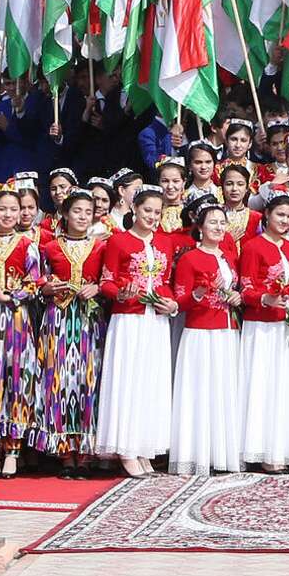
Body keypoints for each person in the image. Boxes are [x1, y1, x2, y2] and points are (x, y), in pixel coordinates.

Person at [94, 189, 178, 477]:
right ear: (135, 209)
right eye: (147, 211)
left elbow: (165, 282)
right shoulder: (119, 241)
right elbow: (106, 282)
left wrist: (171, 303)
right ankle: (126, 447)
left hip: (155, 320)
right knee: (128, 380)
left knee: (150, 382)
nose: (153, 217)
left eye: (157, 212)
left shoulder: (165, 243)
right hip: (128, 321)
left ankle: (145, 446)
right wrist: (122, 294)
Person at [33, 189, 108, 474]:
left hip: (90, 322)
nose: (82, 217)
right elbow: (36, 282)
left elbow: (109, 280)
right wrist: (46, 289)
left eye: (88, 212)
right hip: (59, 321)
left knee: (89, 380)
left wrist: (98, 288)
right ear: (65, 213)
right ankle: (64, 451)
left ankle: (87, 451)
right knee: (60, 379)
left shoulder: (102, 247)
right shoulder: (49, 247)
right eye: (77, 211)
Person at [170, 202, 244, 476]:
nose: (218, 227)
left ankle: (222, 454)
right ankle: (196, 455)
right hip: (200, 333)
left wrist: (236, 297)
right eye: (212, 222)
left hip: (226, 331)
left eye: (222, 223)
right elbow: (180, 300)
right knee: (200, 393)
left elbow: (235, 290)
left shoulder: (227, 257)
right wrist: (198, 294)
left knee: (224, 391)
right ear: (199, 227)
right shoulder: (189, 258)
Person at [238, 194, 289, 472]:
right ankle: (260, 451)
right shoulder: (253, 247)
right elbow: (246, 289)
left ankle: (281, 449)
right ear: (266, 215)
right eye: (280, 215)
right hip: (261, 328)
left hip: (285, 327)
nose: (285, 220)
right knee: (262, 386)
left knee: (284, 388)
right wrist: (264, 299)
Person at [0, 189, 40, 476]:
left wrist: (9, 296)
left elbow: (34, 284)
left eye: (13, 209)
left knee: (15, 379)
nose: (8, 215)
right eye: (2, 209)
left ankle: (13, 448)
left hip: (15, 319)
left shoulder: (28, 245)